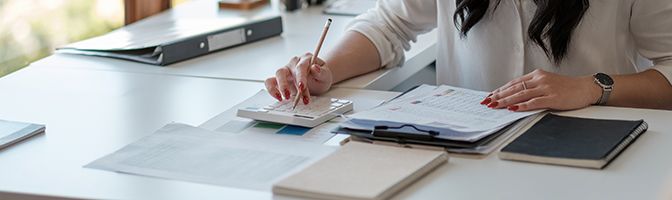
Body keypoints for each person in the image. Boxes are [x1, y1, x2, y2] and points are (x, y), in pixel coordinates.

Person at [265, 0, 672, 111]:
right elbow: (389, 24)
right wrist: (327, 68)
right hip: (469, 145)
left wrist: (590, 88)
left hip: (591, 147)